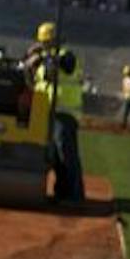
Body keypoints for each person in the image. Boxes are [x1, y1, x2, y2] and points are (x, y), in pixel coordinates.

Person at [48, 47, 86, 203]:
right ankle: (61, 191)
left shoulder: (66, 56)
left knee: (67, 154)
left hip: (65, 113)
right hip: (51, 112)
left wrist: (54, 60)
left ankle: (74, 194)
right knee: (56, 156)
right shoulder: (48, 58)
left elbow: (68, 65)